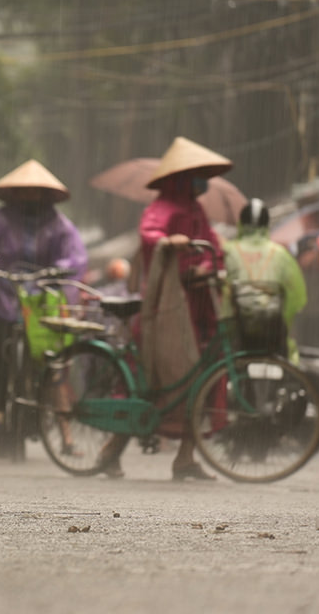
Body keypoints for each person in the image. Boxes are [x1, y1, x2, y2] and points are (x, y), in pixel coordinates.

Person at [98, 136, 231, 481]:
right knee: (150, 383)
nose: (202, 182)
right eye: (197, 175)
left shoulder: (197, 209)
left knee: (199, 380)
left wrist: (215, 258)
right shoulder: (161, 207)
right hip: (167, 309)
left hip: (199, 306)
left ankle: (185, 458)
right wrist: (168, 242)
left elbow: (213, 245)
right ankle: (110, 451)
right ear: (182, 177)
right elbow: (149, 234)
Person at [0, 159, 88, 440]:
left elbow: (75, 254)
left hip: (41, 297)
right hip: (4, 291)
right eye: (25, 191)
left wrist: (62, 267)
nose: (30, 197)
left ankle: (43, 412)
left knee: (44, 356)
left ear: (45, 194)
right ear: (16, 193)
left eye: (35, 191)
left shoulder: (58, 224)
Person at [224, 198, 307, 363]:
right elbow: (298, 299)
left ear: (241, 224)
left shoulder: (228, 251)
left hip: (237, 338)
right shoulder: (281, 254)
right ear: (267, 225)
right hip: (273, 337)